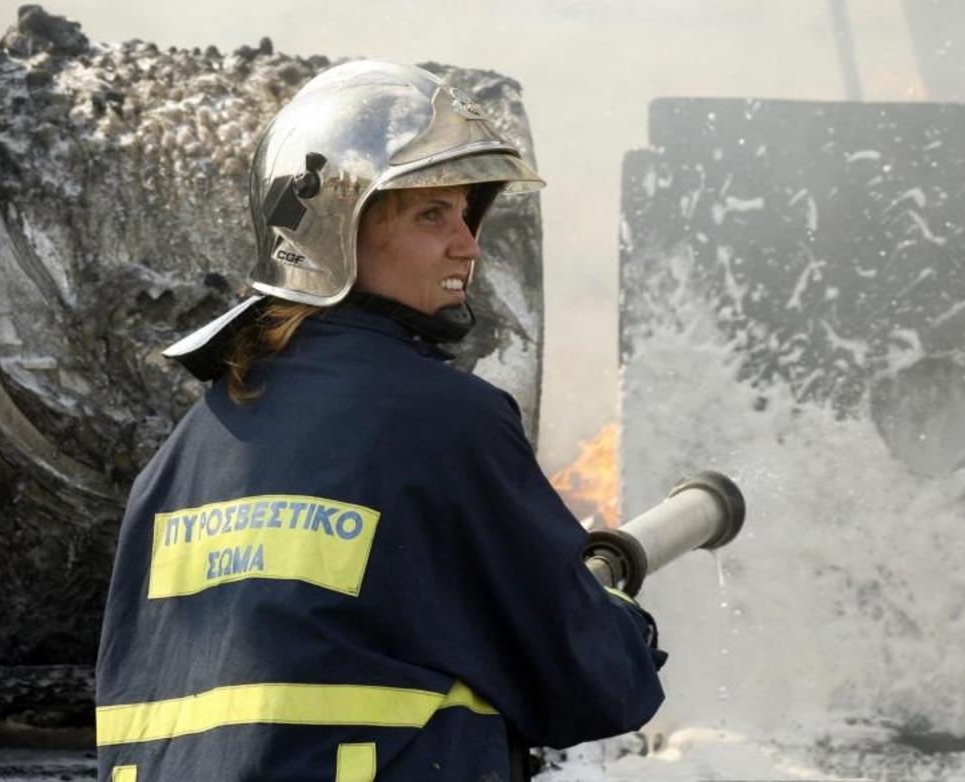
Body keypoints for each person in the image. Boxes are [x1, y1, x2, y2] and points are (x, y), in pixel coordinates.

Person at [94, 60, 666, 782]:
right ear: (334, 232)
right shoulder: (445, 421)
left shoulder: (179, 459)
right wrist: (611, 607)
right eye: (432, 215)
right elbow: (597, 685)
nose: (469, 245)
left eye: (467, 214)